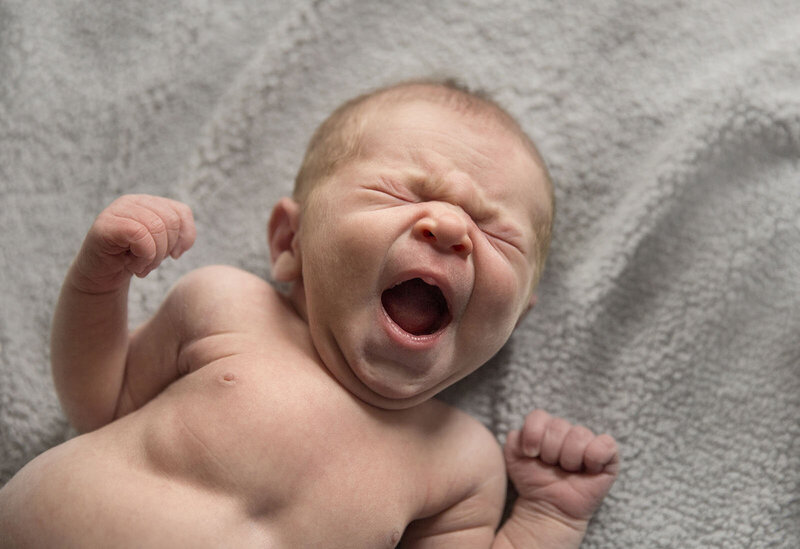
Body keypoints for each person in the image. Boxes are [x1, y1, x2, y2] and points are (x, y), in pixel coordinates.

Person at [0, 80, 619, 548]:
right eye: (403, 191)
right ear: (289, 244)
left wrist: (548, 519)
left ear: (516, 320)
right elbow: (96, 398)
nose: (452, 226)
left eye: (496, 233)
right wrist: (98, 278)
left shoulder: (461, 463)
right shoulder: (227, 306)